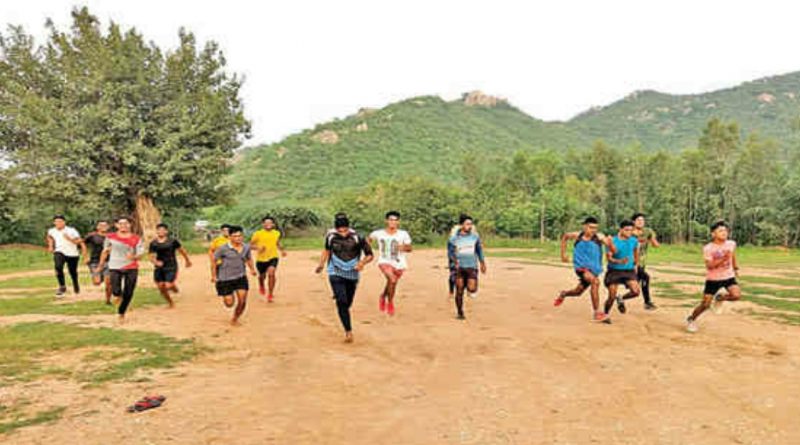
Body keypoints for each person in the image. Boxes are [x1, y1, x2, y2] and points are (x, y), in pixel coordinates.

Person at [315, 215, 374, 343]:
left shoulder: (358, 237)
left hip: (352, 273)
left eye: (345, 230)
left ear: (348, 227)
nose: (342, 233)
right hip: (335, 271)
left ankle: (343, 307)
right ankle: (348, 331)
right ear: (336, 229)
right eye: (339, 230)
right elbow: (327, 251)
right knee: (341, 301)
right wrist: (321, 264)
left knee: (347, 303)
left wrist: (362, 263)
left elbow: (370, 255)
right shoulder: (331, 237)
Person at [556, 217, 615, 323]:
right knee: (595, 282)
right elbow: (565, 237)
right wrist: (563, 254)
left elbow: (612, 249)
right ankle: (597, 313)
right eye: (591, 227)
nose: (593, 230)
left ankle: (564, 294)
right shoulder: (577, 235)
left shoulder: (599, 237)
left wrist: (610, 243)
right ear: (584, 227)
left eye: (595, 228)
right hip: (581, 267)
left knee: (578, 292)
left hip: (594, 269)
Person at [686, 221, 742, 333]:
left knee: (736, 295)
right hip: (713, 280)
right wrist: (723, 259)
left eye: (725, 230)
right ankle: (691, 319)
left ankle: (719, 298)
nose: (724, 233)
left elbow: (732, 255)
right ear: (713, 234)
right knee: (705, 305)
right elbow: (709, 266)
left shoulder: (731, 244)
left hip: (728, 277)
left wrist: (735, 268)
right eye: (720, 231)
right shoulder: (708, 248)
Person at [95, 217, 145, 323]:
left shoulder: (136, 238)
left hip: (131, 267)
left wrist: (134, 257)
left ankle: (121, 312)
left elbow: (140, 254)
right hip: (115, 266)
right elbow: (105, 251)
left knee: (129, 291)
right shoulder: (110, 237)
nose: (124, 226)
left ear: (130, 225)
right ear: (117, 225)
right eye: (121, 224)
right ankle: (118, 298)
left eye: (126, 223)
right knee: (116, 291)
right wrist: (100, 265)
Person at [210, 225, 257, 326]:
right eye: (235, 236)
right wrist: (213, 275)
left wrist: (252, 269)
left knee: (242, 300)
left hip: (240, 277)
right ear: (230, 237)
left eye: (240, 236)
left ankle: (235, 318)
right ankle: (228, 297)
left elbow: (248, 258)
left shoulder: (246, 247)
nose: (238, 238)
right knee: (229, 303)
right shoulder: (222, 249)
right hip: (225, 278)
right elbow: (213, 261)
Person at [369, 211, 412, 316]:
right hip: (384, 261)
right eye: (391, 220)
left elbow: (409, 248)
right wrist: (367, 250)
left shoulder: (403, 234)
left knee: (391, 282)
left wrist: (403, 247)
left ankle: (383, 296)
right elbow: (368, 240)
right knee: (392, 279)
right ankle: (390, 302)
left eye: (395, 220)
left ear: (398, 222)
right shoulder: (378, 233)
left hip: (399, 262)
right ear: (386, 221)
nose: (393, 222)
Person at [447, 215, 487, 320]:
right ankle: (460, 312)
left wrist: (482, 263)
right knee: (459, 290)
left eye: (471, 224)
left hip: (471, 266)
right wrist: (454, 262)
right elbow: (450, 253)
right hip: (459, 267)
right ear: (461, 225)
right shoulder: (453, 239)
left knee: (472, 288)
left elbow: (479, 250)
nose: (469, 226)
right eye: (467, 224)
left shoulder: (475, 237)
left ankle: (468, 288)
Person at [603, 220, 642, 316]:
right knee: (611, 296)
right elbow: (609, 258)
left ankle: (620, 298)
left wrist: (636, 265)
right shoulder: (612, 241)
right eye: (626, 230)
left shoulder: (634, 240)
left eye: (631, 230)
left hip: (628, 271)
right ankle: (605, 314)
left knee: (636, 292)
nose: (629, 232)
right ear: (620, 230)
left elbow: (636, 253)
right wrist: (619, 261)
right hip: (614, 271)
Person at [149, 223, 192, 308]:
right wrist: (155, 262)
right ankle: (170, 302)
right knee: (161, 286)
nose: (161, 232)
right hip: (159, 267)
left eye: (163, 230)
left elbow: (181, 250)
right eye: (159, 230)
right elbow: (151, 256)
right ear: (156, 231)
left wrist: (187, 260)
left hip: (171, 266)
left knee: (167, 285)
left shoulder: (172, 241)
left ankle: (172, 286)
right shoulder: (153, 243)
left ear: (166, 231)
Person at [46, 215, 85, 297]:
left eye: (60, 221)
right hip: (59, 251)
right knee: (58, 267)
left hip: (72, 253)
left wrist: (69, 239)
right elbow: (49, 237)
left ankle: (75, 284)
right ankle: (62, 286)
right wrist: (50, 245)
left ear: (64, 222)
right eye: (56, 222)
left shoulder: (71, 230)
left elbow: (79, 241)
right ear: (54, 223)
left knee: (72, 271)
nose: (58, 223)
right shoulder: (51, 231)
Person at [250, 216, 287, 302]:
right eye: (266, 223)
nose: (268, 224)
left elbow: (277, 242)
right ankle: (261, 283)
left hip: (273, 257)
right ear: (263, 224)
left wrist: (282, 250)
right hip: (261, 259)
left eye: (270, 223)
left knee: (271, 273)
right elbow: (250, 245)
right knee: (262, 276)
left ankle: (270, 293)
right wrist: (258, 248)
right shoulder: (258, 234)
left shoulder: (276, 233)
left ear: (273, 224)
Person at [632, 213, 660, 310]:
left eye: (642, 220)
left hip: (642, 262)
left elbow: (656, 245)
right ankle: (647, 302)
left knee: (636, 286)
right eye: (638, 220)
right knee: (645, 278)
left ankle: (620, 298)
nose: (641, 222)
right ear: (634, 222)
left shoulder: (647, 231)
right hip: (632, 262)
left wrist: (652, 239)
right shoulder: (629, 231)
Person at [448, 218, 479, 299]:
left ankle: (469, 289)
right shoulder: (455, 233)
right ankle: (451, 291)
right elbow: (452, 249)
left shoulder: (473, 234)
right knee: (453, 274)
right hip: (456, 258)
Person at [84, 220, 112, 304]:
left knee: (108, 282)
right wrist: (85, 256)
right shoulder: (92, 236)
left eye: (105, 225)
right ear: (97, 227)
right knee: (97, 282)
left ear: (108, 227)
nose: (103, 227)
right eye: (101, 225)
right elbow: (82, 243)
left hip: (109, 261)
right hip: (95, 261)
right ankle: (101, 276)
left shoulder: (111, 236)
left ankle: (108, 300)